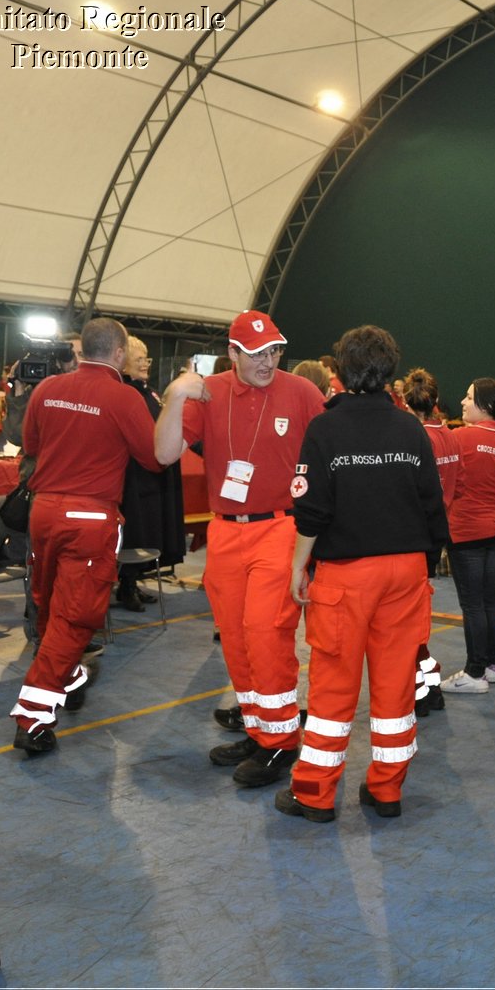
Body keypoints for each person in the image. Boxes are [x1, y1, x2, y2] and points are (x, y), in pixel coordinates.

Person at [280, 326, 449, 823]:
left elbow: (310, 512)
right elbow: (432, 506)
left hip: (348, 574)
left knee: (334, 683)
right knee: (397, 684)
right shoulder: (410, 429)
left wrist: (298, 567)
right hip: (406, 570)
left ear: (339, 371)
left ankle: (313, 795)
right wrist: (423, 562)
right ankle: (387, 789)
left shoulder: (325, 430)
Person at [154, 311, 326, 786]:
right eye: (255, 354)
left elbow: (330, 458)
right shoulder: (209, 394)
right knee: (234, 634)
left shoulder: (303, 393)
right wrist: (174, 397)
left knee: (265, 632)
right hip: (226, 531)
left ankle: (280, 742)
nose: (267, 362)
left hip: (281, 527)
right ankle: (259, 728)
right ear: (232, 353)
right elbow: (164, 453)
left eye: (273, 351)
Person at [9, 318, 162, 753]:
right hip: (90, 517)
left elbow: (31, 445)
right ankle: (33, 716)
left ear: (81, 351)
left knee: (48, 604)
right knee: (74, 618)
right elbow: (153, 458)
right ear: (118, 353)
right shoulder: (124, 397)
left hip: (44, 511)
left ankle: (68, 674)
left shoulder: (46, 389)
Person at [441, 378, 495, 692]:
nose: (462, 402)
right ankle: (491, 665)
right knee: (490, 600)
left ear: (486, 406)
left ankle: (474, 672)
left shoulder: (458, 438)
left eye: (468, 397)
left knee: (474, 605)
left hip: (467, 531)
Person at [402, 367, 460, 715]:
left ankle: (421, 691)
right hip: (436, 531)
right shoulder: (451, 435)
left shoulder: (412, 436)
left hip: (413, 536)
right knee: (415, 618)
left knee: (405, 622)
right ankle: (429, 683)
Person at [114, 334, 185, 613]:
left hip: (153, 475)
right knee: (136, 531)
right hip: (135, 477)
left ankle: (132, 582)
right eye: (139, 358)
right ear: (123, 360)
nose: (144, 364)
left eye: (146, 358)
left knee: (149, 531)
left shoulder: (149, 392)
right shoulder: (127, 393)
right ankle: (127, 585)